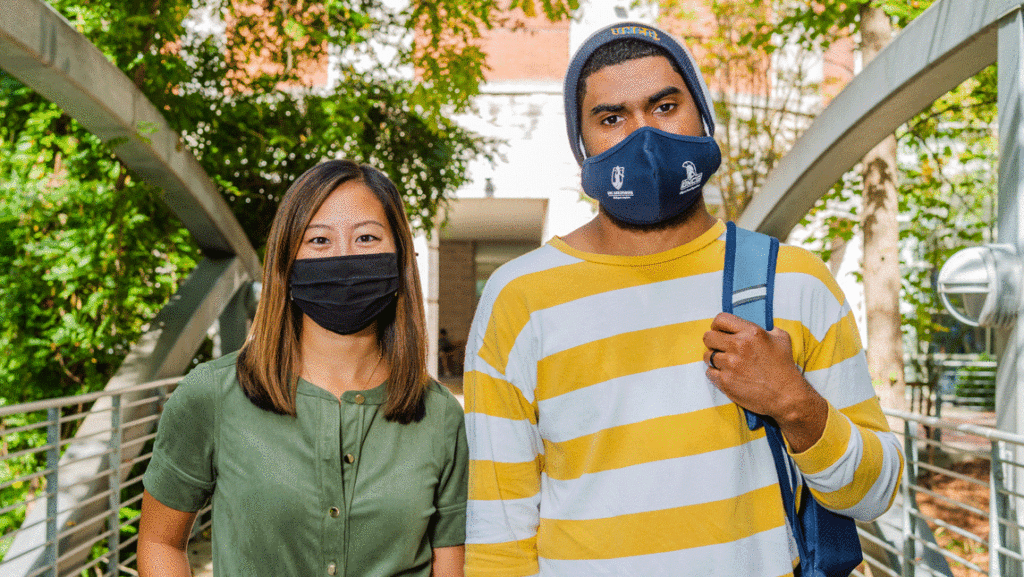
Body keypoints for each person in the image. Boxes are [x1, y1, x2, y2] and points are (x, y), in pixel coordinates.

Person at [463, 22, 903, 576]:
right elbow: (498, 531)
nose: (643, 135)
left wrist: (796, 405)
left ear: (702, 117)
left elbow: (876, 492)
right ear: (582, 147)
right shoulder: (519, 299)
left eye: (665, 105)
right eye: (611, 118)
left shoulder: (794, 281)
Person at [138, 160, 468, 577]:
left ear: (400, 255)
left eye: (367, 237)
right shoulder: (213, 395)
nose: (344, 258)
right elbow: (159, 541)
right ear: (286, 260)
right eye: (319, 240)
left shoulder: (439, 415)